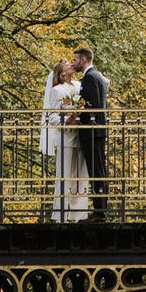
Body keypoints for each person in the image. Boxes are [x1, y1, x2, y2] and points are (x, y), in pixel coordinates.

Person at [39, 58, 90, 222]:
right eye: (67, 64)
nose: (71, 65)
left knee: (81, 177)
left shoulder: (78, 86)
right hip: (65, 137)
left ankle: (78, 215)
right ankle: (60, 214)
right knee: (64, 175)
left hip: (80, 136)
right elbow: (51, 116)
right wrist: (65, 121)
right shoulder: (57, 90)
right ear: (62, 72)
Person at [72, 45, 110, 221]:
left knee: (96, 170)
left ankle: (99, 211)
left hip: (92, 130)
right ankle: (100, 209)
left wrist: (77, 110)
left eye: (75, 60)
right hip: (99, 130)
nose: (74, 63)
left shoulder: (89, 78)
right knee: (99, 169)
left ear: (83, 60)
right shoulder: (98, 76)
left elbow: (93, 104)